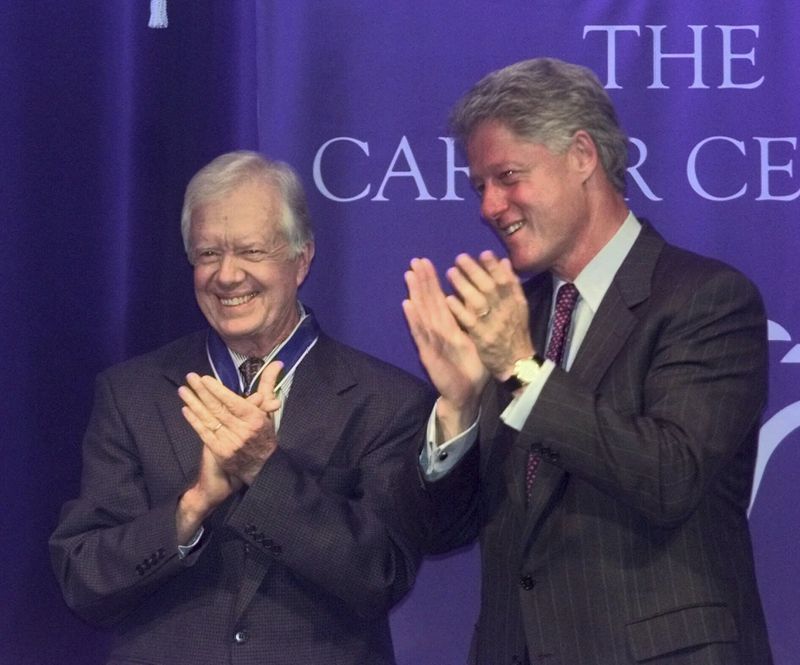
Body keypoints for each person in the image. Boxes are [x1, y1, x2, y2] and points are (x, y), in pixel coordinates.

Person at [403, 58, 773, 665]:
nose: (489, 206)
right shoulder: (514, 319)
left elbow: (669, 475)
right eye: (479, 186)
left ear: (581, 156)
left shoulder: (706, 300)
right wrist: (461, 409)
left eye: (508, 176)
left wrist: (522, 372)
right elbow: (447, 532)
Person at [50, 150, 433, 665]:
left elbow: (379, 575)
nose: (227, 276)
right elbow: (86, 581)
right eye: (208, 254)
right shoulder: (131, 393)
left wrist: (265, 470)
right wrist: (192, 508)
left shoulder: (386, 402)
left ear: (302, 260)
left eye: (251, 251)